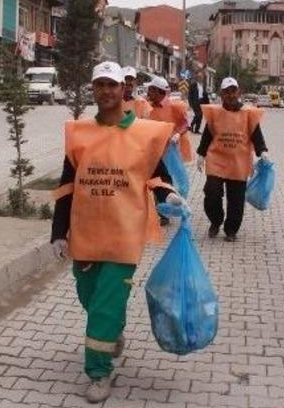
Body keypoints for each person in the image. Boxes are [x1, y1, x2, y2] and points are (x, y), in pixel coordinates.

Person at [49, 61, 187, 403]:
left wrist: (167, 194)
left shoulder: (142, 133)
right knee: (90, 297)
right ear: (93, 90)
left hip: (124, 237)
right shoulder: (80, 134)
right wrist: (58, 232)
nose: (107, 91)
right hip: (85, 234)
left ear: (123, 90)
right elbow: (67, 186)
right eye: (100, 85)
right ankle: (113, 330)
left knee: (105, 305)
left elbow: (156, 176)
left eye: (112, 85)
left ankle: (98, 372)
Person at [197, 77, 268, 242]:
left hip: (239, 162)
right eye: (226, 92)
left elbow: (257, 135)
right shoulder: (215, 114)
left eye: (233, 91)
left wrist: (262, 151)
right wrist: (201, 154)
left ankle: (231, 229)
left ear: (239, 92)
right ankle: (216, 220)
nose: (230, 95)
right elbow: (207, 135)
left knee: (236, 199)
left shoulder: (249, 114)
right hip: (217, 160)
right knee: (211, 192)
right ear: (221, 94)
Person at [147, 77, 192, 162]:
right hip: (154, 153)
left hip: (171, 153)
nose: (148, 93)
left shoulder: (175, 106)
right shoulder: (147, 106)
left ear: (157, 91)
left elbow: (186, 124)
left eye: (150, 90)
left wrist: (178, 134)